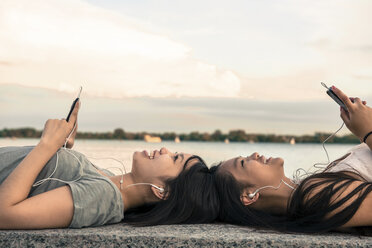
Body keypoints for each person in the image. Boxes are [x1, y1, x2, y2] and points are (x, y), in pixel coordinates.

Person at [0, 101, 219, 229]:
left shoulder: (105, 196)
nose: (165, 150)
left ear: (162, 192)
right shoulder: (108, 181)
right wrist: (62, 150)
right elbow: (47, 184)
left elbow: (5, 214)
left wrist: (47, 145)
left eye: (174, 158)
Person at [212, 86, 372, 234]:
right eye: (243, 162)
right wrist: (366, 131)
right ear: (249, 196)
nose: (254, 154)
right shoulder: (315, 198)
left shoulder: (310, 191)